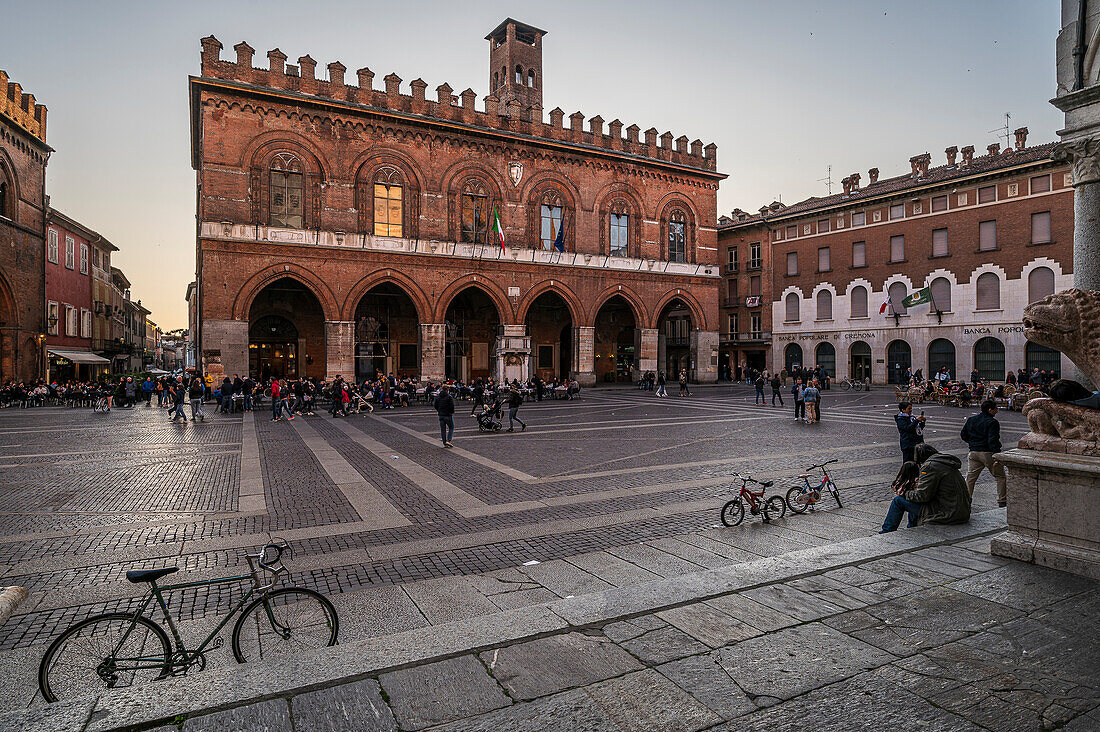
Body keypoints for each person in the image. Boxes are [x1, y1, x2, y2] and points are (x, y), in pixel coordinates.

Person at [880, 444, 971, 532]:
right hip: (962, 511)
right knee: (912, 497)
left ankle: (886, 531)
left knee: (898, 501)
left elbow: (922, 496)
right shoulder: (946, 463)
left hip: (947, 514)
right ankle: (912, 527)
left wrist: (904, 492)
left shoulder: (929, 466)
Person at [960, 399, 1007, 508]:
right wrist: (997, 456)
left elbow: (963, 434)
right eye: (996, 408)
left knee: (970, 478)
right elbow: (993, 440)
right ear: (990, 410)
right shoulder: (992, 422)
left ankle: (967, 499)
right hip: (987, 453)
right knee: (1000, 477)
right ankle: (1002, 500)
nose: (997, 410)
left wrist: (972, 443)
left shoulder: (971, 419)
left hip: (973, 453)